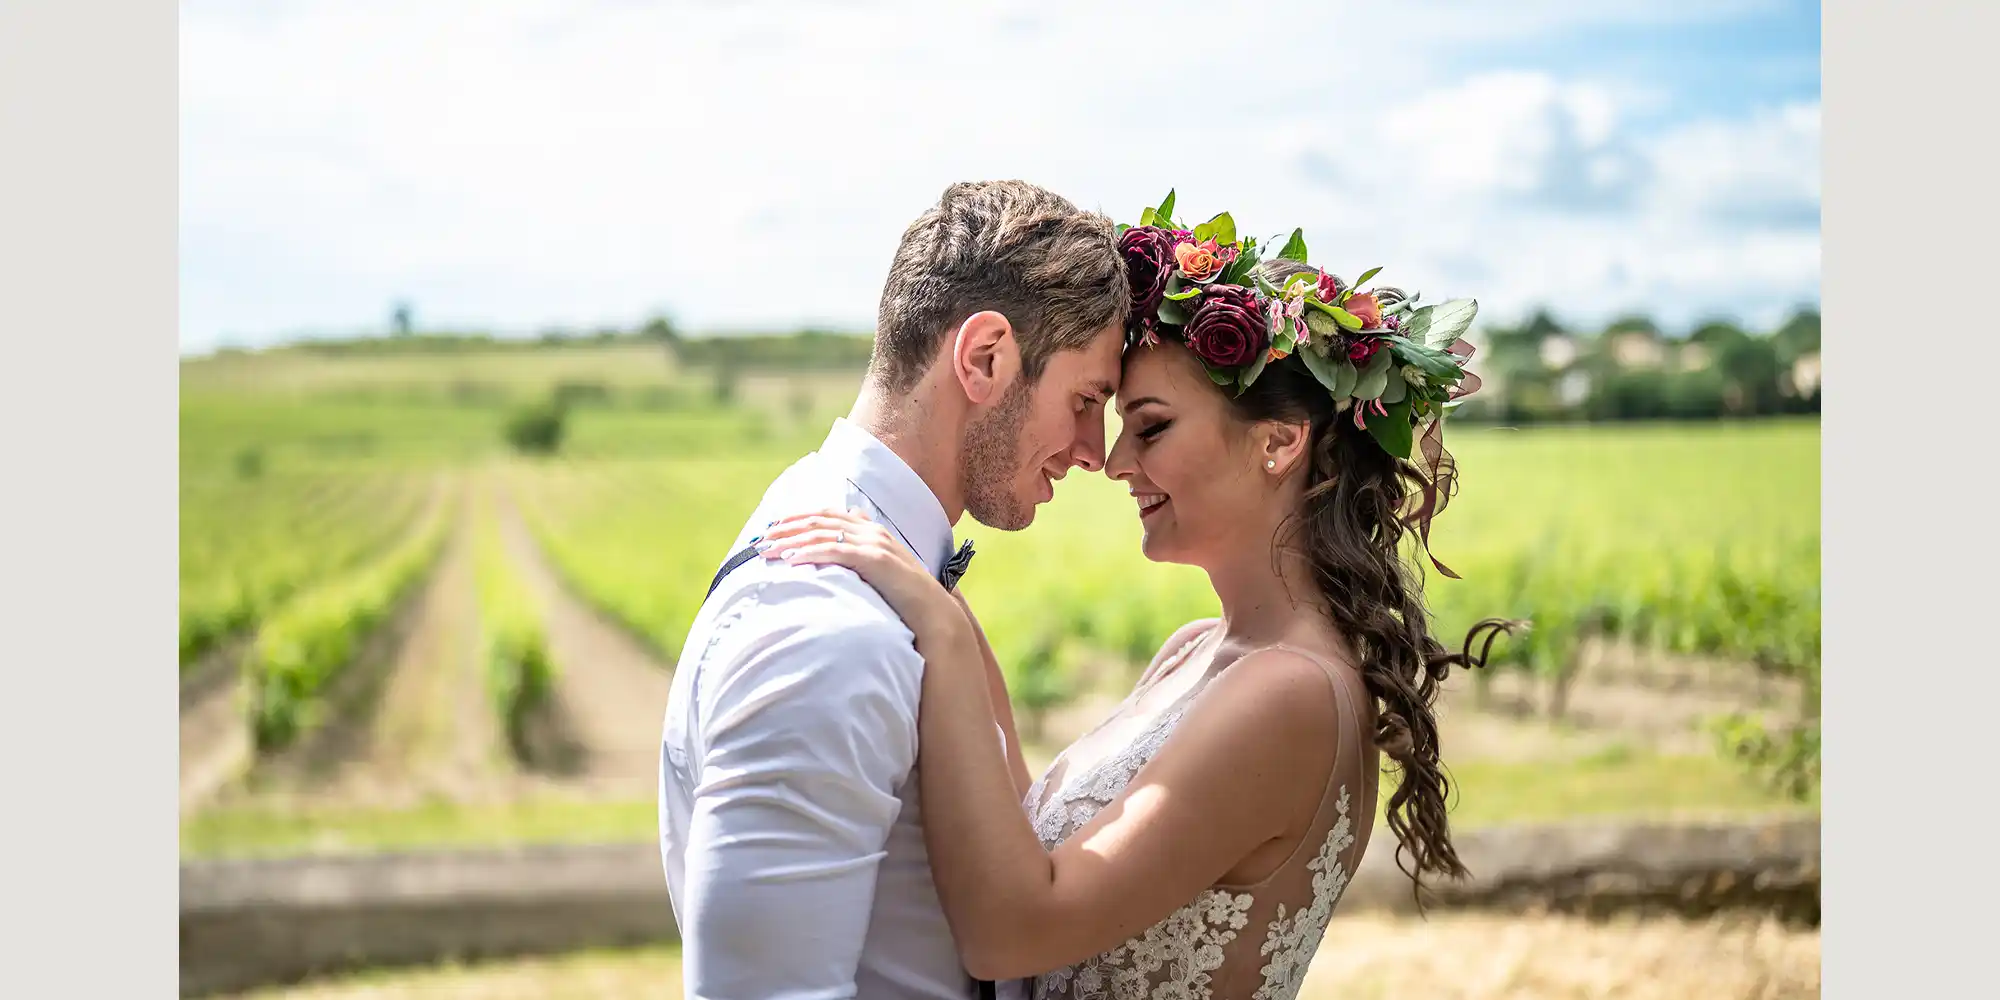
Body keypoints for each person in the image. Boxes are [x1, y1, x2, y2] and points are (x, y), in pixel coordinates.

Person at [751, 197, 1520, 1000]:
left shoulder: (1291, 694)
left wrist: (942, 640)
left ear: (1279, 441)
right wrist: (948, 604)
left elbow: (1010, 934)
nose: (1114, 462)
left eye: (1149, 428)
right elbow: (1025, 838)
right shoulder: (1194, 652)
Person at [658, 179, 1131, 999]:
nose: (1094, 450)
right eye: (1085, 400)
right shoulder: (821, 628)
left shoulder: (887, 577)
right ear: (986, 357)